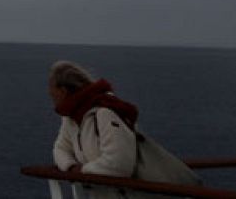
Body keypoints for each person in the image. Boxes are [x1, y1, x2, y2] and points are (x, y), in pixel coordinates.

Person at [48, 60, 201, 198]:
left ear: (63, 91)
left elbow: (119, 163)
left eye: (52, 91)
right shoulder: (71, 119)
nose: (50, 96)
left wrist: (82, 171)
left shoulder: (105, 112)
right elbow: (60, 148)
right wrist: (71, 166)